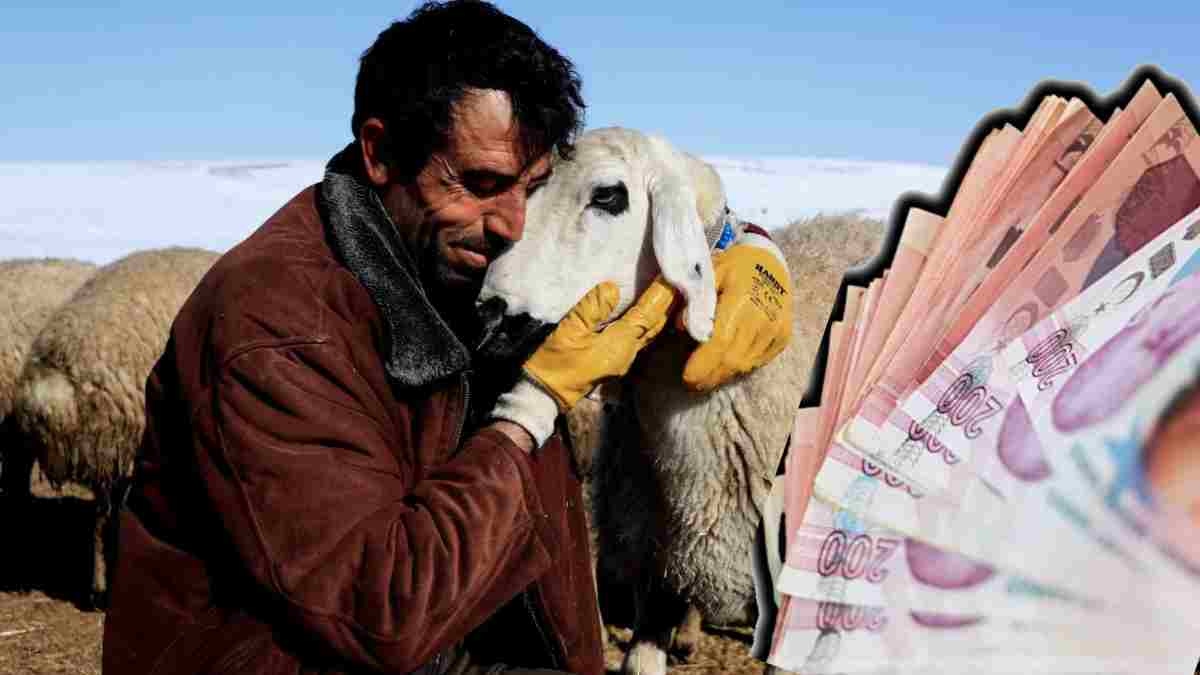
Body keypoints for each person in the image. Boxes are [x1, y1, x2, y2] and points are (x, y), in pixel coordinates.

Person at [101, 2, 793, 674]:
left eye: (533, 186)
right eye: (482, 183)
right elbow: (384, 611)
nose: (512, 224)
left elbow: (628, 185)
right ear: (380, 153)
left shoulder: (461, 268)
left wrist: (740, 242)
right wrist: (531, 409)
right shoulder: (277, 330)